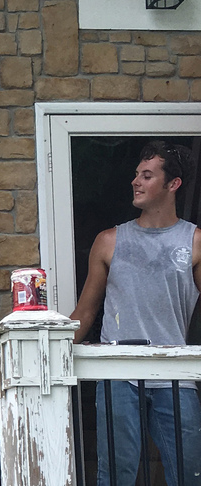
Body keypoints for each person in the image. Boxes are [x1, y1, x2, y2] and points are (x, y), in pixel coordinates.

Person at [70, 141, 201, 486]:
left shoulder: (195, 241)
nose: (136, 182)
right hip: (118, 375)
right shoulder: (109, 241)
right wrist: (49, 349)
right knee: (116, 475)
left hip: (175, 375)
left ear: (173, 184)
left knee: (190, 474)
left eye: (147, 175)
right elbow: (85, 312)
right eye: (136, 175)